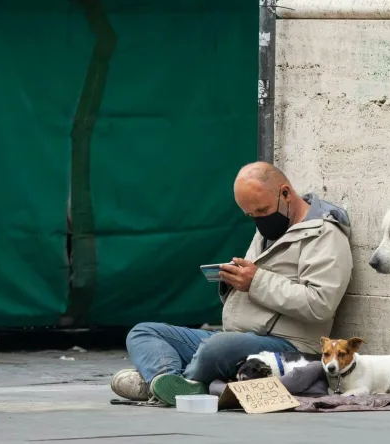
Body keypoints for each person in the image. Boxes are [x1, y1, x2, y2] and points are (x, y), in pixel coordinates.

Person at [109, 161, 353, 405]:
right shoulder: (271, 226)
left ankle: (166, 383)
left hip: (286, 344)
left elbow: (320, 303)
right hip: (237, 336)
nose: (258, 221)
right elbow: (254, 286)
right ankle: (166, 381)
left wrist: (255, 280)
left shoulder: (324, 234)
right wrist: (233, 281)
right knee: (143, 332)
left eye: (262, 211)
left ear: (286, 193)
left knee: (217, 347)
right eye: (250, 215)